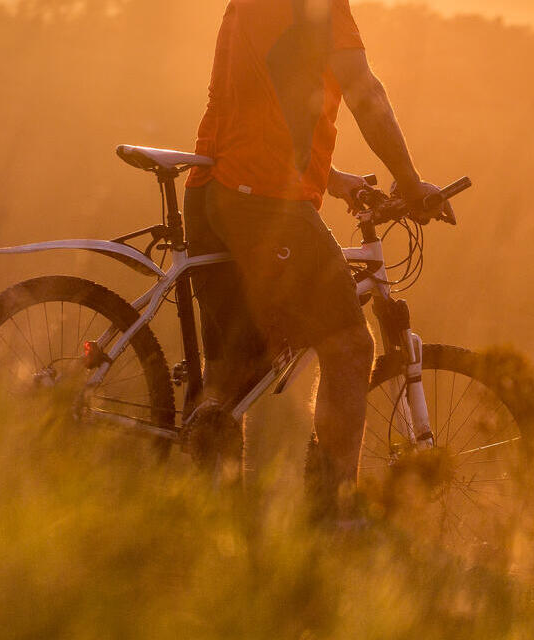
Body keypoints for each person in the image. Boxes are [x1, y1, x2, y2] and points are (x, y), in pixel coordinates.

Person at [181, 0, 444, 524]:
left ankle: (200, 523)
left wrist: (337, 179)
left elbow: (260, 108)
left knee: (235, 372)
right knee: (350, 348)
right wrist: (411, 185)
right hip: (262, 200)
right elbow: (365, 93)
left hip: (214, 190)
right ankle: (329, 523)